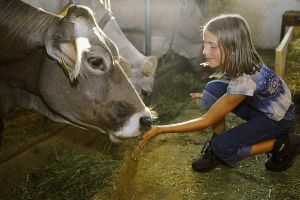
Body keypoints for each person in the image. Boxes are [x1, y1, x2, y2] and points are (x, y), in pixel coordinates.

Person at [139, 14, 300, 172]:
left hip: (279, 120)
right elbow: (243, 91)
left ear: (232, 47)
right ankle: (217, 145)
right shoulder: (244, 60)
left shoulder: (246, 78)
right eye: (205, 44)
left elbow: (205, 120)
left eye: (212, 46)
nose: (205, 51)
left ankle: (281, 143)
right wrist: (215, 100)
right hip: (265, 107)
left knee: (223, 147)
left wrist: (161, 129)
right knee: (213, 88)